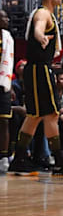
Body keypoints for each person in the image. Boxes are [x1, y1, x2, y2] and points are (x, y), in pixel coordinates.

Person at [8, 0, 63, 176]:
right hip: (40, 69)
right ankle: (59, 159)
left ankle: (19, 158)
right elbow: (38, 28)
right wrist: (40, 35)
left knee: (34, 116)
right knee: (52, 114)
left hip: (37, 68)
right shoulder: (43, 13)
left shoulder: (46, 13)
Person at [0, 10, 13, 172]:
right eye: (3, 17)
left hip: (3, 83)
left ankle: (3, 157)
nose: (7, 19)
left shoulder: (8, 37)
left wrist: (8, 81)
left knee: (4, 121)